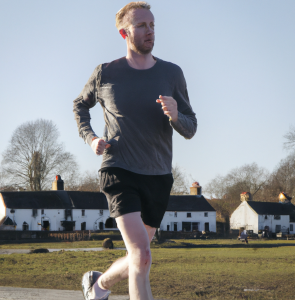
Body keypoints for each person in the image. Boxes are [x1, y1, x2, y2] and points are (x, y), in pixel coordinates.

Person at [73, 2, 197, 300]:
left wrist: (176, 115)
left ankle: (98, 284)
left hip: (158, 176)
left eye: (152, 25)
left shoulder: (172, 73)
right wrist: (90, 138)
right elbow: (80, 105)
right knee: (141, 254)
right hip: (119, 169)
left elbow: (191, 128)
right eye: (141, 25)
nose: (149, 30)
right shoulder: (106, 73)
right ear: (124, 33)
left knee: (137, 257)